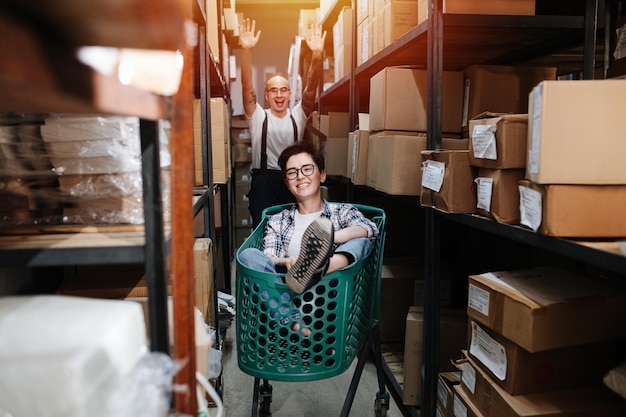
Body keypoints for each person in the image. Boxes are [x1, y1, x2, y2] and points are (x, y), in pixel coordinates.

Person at [238, 141, 379, 295]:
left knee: (361, 241)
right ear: (286, 183)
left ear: (322, 175)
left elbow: (370, 228)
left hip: (331, 294)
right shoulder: (278, 221)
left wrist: (329, 238)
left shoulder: (342, 212)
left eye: (307, 169)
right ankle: (291, 317)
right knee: (248, 255)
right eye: (292, 172)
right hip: (288, 295)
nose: (300, 177)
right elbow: (269, 258)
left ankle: (324, 266)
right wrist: (290, 261)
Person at [239, 17, 327, 228]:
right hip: (264, 184)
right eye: (273, 90)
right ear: (266, 96)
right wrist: (246, 50)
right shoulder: (258, 116)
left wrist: (316, 55)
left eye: (283, 90)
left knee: (293, 233)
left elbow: (311, 89)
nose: (279, 95)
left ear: (289, 94)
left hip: (293, 182)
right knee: (263, 234)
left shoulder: (298, 116)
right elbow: (246, 86)